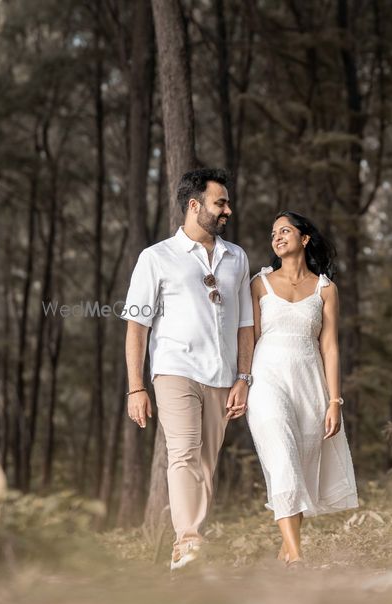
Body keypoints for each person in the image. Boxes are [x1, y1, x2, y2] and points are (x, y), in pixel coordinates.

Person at [122, 168, 254, 571]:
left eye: (227, 202)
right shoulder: (156, 257)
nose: (228, 210)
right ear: (194, 206)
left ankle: (188, 546)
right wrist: (136, 387)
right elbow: (137, 327)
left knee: (206, 464)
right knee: (182, 455)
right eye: (220, 202)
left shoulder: (237, 258)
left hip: (222, 376)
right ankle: (189, 542)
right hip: (174, 370)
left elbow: (246, 325)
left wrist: (243, 378)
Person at [246, 211, 358, 566]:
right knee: (282, 456)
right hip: (267, 380)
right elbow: (248, 338)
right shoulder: (259, 283)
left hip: (310, 385)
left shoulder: (326, 289)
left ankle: (285, 553)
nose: (277, 237)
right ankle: (297, 557)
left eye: (285, 230)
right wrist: (241, 380)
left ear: (304, 239)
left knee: (300, 466)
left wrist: (335, 401)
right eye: (273, 232)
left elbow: (330, 347)